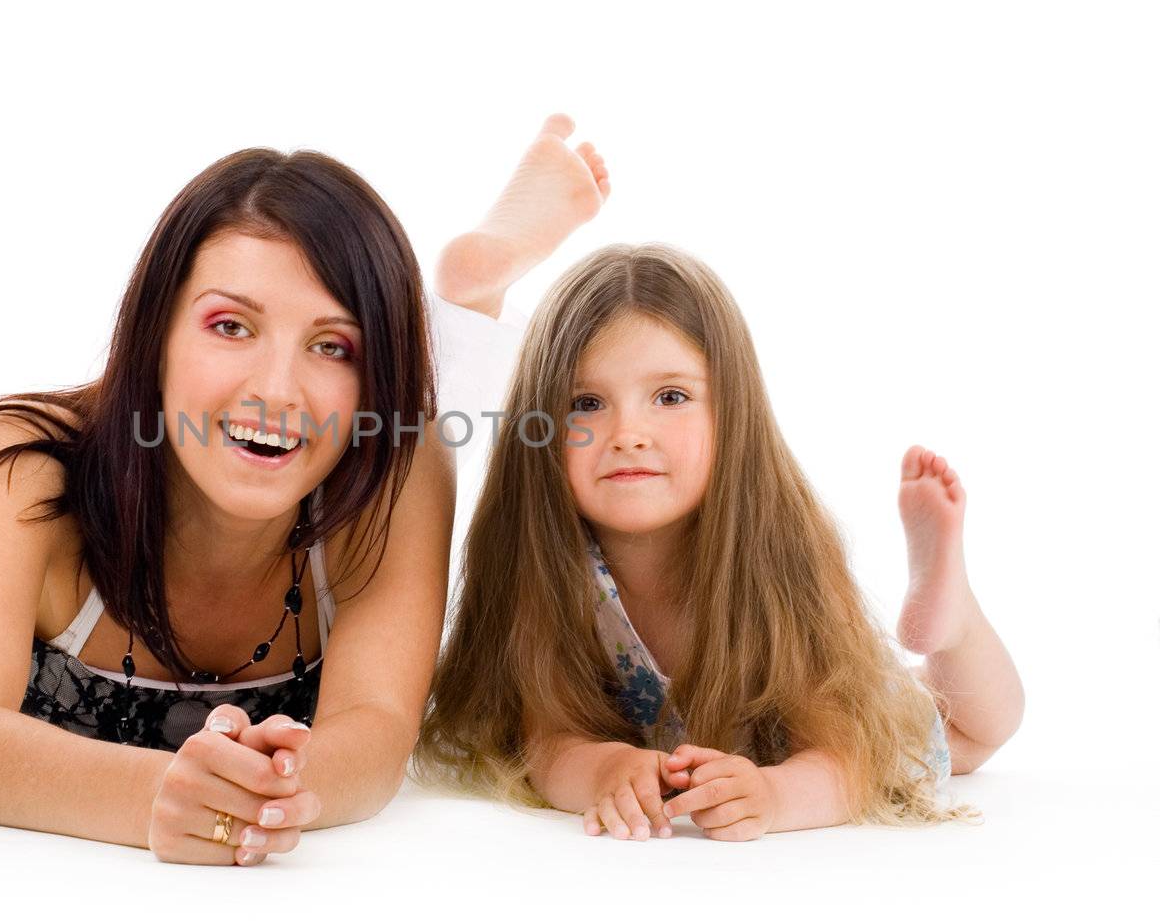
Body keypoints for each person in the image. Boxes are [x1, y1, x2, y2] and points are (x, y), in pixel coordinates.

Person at [0, 50, 611, 864]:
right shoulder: (24, 470)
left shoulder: (398, 466)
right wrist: (169, 798)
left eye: (333, 345)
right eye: (230, 326)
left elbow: (375, 737)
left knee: (408, 427)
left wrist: (260, 794)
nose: (276, 390)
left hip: (370, 448)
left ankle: (465, 301)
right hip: (33, 510)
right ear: (157, 331)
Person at [415, 242, 1026, 840]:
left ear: (732, 414)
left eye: (671, 397)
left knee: (973, 730)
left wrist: (776, 795)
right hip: (695, 733)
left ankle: (950, 620)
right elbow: (545, 739)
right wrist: (604, 768)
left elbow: (847, 754)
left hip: (821, 723)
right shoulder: (551, 565)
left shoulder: (777, 548)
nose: (628, 433)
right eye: (587, 403)